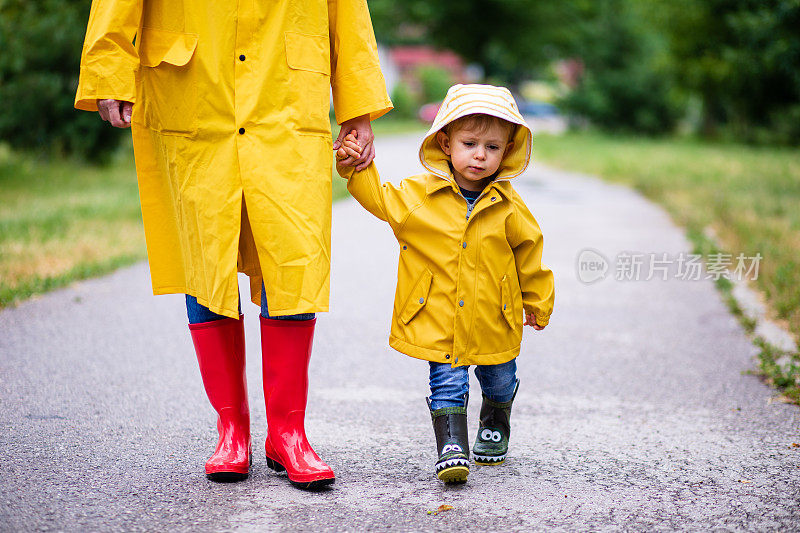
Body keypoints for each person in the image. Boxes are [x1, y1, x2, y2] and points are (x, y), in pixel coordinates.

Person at [74, 0, 392, 489]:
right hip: (194, 91)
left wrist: (358, 106)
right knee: (207, 257)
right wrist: (107, 70)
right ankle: (232, 431)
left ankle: (289, 434)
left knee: (293, 260)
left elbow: (349, 12)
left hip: (285, 95)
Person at [336, 84, 554, 483]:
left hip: (495, 317)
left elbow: (530, 254)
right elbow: (379, 200)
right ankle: (452, 446)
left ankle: (495, 419)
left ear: (506, 151)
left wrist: (538, 301)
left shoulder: (508, 205)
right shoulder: (421, 195)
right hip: (440, 315)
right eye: (470, 143)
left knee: (499, 379)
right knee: (447, 381)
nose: (479, 155)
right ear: (445, 141)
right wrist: (355, 167)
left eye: (492, 147)